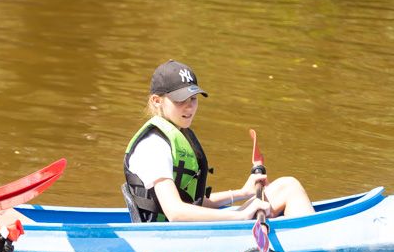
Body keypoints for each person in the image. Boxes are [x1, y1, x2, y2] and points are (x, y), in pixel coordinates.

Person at [123, 59, 315, 222]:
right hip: (171, 239)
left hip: (186, 230)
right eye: (180, 100)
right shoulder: (154, 145)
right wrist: (241, 215)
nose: (189, 107)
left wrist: (243, 193)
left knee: (287, 186)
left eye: (193, 98)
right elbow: (175, 212)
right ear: (157, 101)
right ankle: (313, 245)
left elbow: (193, 203)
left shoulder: (176, 134)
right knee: (290, 189)